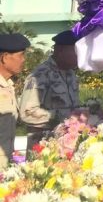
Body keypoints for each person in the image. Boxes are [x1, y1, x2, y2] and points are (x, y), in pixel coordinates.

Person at [19, 30, 79, 146]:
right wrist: (60, 116)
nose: (79, 56)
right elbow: (27, 113)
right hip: (43, 146)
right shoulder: (40, 75)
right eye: (76, 51)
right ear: (60, 50)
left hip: (67, 144)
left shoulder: (71, 74)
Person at [0, 32, 30, 167]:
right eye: (21, 55)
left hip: (6, 162)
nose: (23, 60)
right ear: (5, 58)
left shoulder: (8, 85)